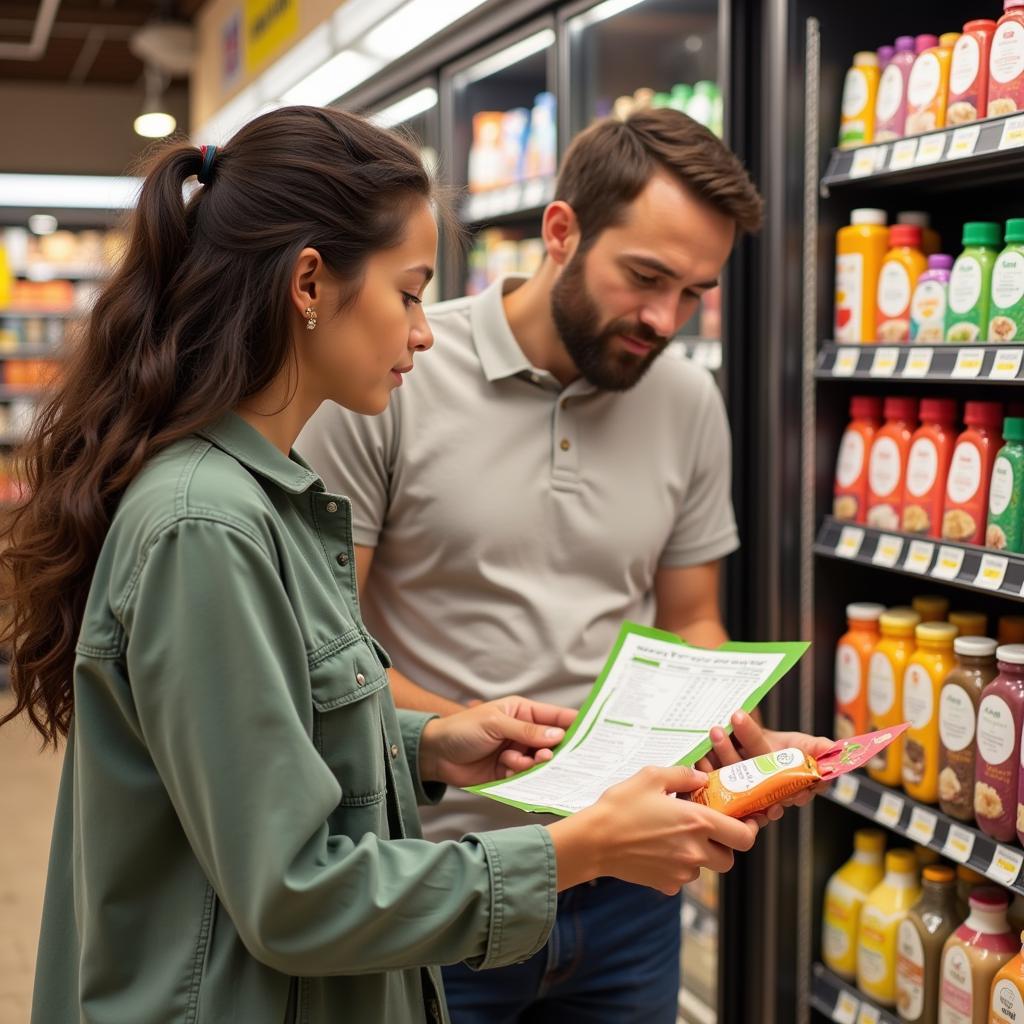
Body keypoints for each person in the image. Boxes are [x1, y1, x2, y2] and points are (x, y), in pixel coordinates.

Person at [0, 106, 782, 1024]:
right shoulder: (206, 524)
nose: (423, 331)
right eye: (409, 294)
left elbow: (271, 738)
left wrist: (430, 745)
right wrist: (583, 848)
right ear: (308, 286)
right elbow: (294, 891)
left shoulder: (267, 492)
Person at [297, 107, 829, 1024]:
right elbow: (327, 647)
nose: (665, 319)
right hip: (444, 874)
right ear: (560, 231)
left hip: (632, 889)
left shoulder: (688, 401)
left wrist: (736, 737)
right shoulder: (392, 370)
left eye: (695, 293)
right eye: (647, 277)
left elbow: (693, 614)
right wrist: (492, 736)